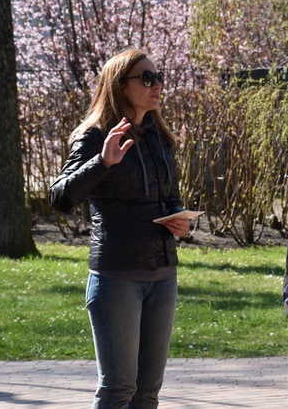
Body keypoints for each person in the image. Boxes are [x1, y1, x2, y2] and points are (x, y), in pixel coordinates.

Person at [49, 48, 189, 408]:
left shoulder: (158, 136)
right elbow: (60, 198)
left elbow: (170, 195)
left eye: (159, 77)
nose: (157, 85)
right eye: (147, 78)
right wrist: (103, 162)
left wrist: (179, 220)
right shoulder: (95, 137)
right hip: (117, 278)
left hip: (163, 275)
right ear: (119, 85)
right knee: (118, 390)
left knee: (147, 393)